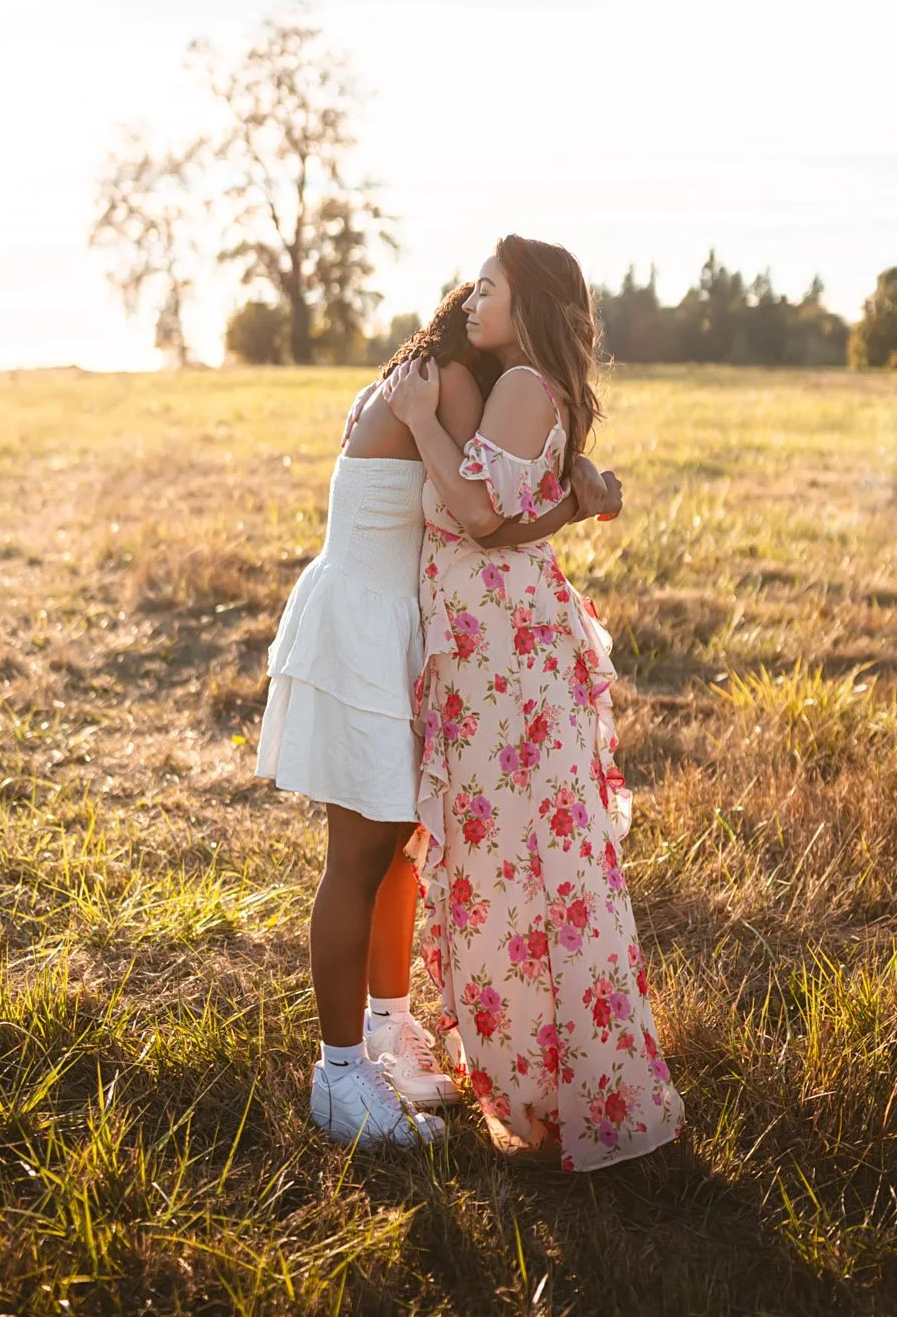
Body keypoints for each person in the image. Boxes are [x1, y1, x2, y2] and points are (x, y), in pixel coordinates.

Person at [256, 284, 622, 1149]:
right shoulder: (452, 383)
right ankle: (339, 1076)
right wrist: (582, 498)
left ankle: (385, 1029)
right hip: (369, 629)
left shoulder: (422, 371)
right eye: (484, 289)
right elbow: (486, 518)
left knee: (397, 851)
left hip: (383, 620)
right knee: (358, 857)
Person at [381, 236, 683, 1170]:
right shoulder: (536, 386)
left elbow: (474, 518)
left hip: (500, 661)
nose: (473, 298)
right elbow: (513, 517)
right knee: (536, 862)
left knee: (514, 866)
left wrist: (417, 417)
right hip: (502, 652)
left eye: (491, 286)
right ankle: (567, 1086)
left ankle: (559, 1086)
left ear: (532, 301)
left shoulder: (518, 387)